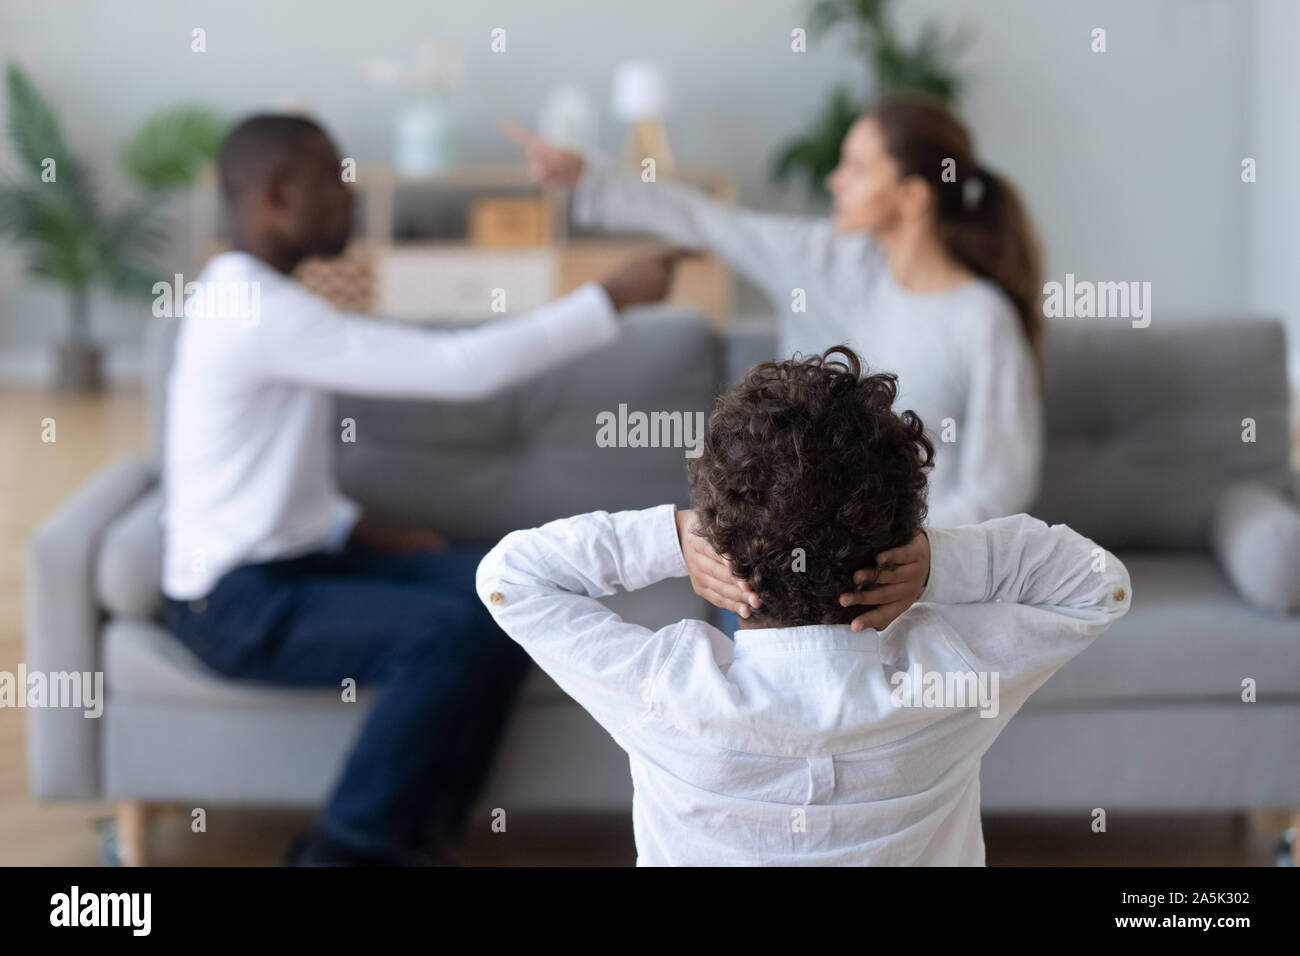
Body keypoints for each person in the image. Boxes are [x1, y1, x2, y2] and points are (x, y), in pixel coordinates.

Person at [161, 114, 689, 865]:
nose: (351, 196)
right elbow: (458, 370)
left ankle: (415, 837)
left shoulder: (256, 298)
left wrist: (357, 529)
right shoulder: (254, 310)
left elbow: (255, 478)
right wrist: (609, 298)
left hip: (301, 563)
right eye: (334, 181)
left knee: (508, 588)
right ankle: (346, 848)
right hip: (237, 603)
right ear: (276, 197)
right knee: (451, 633)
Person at [477, 346, 1129, 866]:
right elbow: (1100, 585)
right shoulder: (952, 676)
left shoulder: (665, 692)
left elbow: (509, 577)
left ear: (720, 543)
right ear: (896, 538)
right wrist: (939, 561)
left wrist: (672, 537)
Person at [505, 94, 1046, 630]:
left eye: (857, 169)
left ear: (912, 195)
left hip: (910, 573)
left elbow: (1001, 484)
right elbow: (708, 219)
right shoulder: (823, 259)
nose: (835, 181)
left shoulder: (982, 319)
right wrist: (589, 175)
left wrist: (920, 559)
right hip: (790, 555)